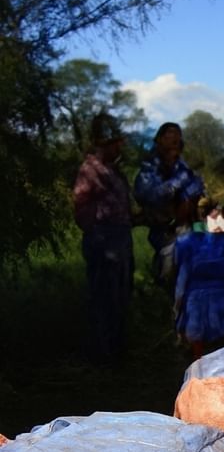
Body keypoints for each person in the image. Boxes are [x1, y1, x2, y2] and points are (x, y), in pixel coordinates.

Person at [72, 113, 134, 363]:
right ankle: (103, 353)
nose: (119, 146)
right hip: (103, 239)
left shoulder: (112, 169)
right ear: (103, 143)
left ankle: (116, 349)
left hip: (120, 237)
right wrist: (98, 232)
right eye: (114, 142)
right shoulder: (90, 170)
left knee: (120, 294)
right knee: (104, 297)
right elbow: (80, 204)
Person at [174, 196, 224, 359]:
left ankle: (199, 367)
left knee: (198, 347)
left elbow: (181, 281)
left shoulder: (184, 243)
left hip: (198, 306)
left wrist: (177, 311)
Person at [134, 122, 205, 289]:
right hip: (164, 233)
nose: (174, 139)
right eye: (169, 135)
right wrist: (177, 182)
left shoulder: (184, 167)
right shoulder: (148, 169)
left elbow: (197, 202)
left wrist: (200, 231)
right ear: (159, 140)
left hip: (187, 230)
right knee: (167, 274)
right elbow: (147, 195)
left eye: (177, 136)